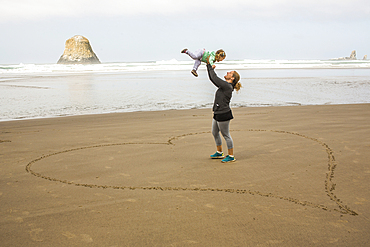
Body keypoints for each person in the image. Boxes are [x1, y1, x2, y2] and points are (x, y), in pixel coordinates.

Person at [206, 56, 241, 163]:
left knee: (226, 135)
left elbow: (214, 78)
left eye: (230, 72)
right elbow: (214, 79)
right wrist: (210, 67)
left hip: (223, 114)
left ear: (232, 78)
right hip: (217, 112)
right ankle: (219, 153)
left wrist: (208, 65)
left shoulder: (227, 86)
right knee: (214, 132)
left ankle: (231, 156)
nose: (227, 72)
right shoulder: (224, 86)